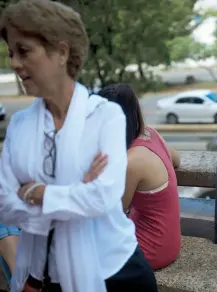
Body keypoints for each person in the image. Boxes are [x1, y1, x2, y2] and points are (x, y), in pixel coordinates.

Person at [0, 1, 157, 291]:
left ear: (61, 52)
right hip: (48, 276)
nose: (14, 64)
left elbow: (104, 198)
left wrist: (37, 191)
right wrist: (77, 189)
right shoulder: (20, 126)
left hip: (119, 271)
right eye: (11, 53)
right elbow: (6, 207)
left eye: (23, 51)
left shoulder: (105, 116)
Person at [98, 84, 182, 270]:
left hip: (150, 248)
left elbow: (112, 215)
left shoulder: (130, 161)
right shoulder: (151, 134)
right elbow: (176, 160)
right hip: (168, 238)